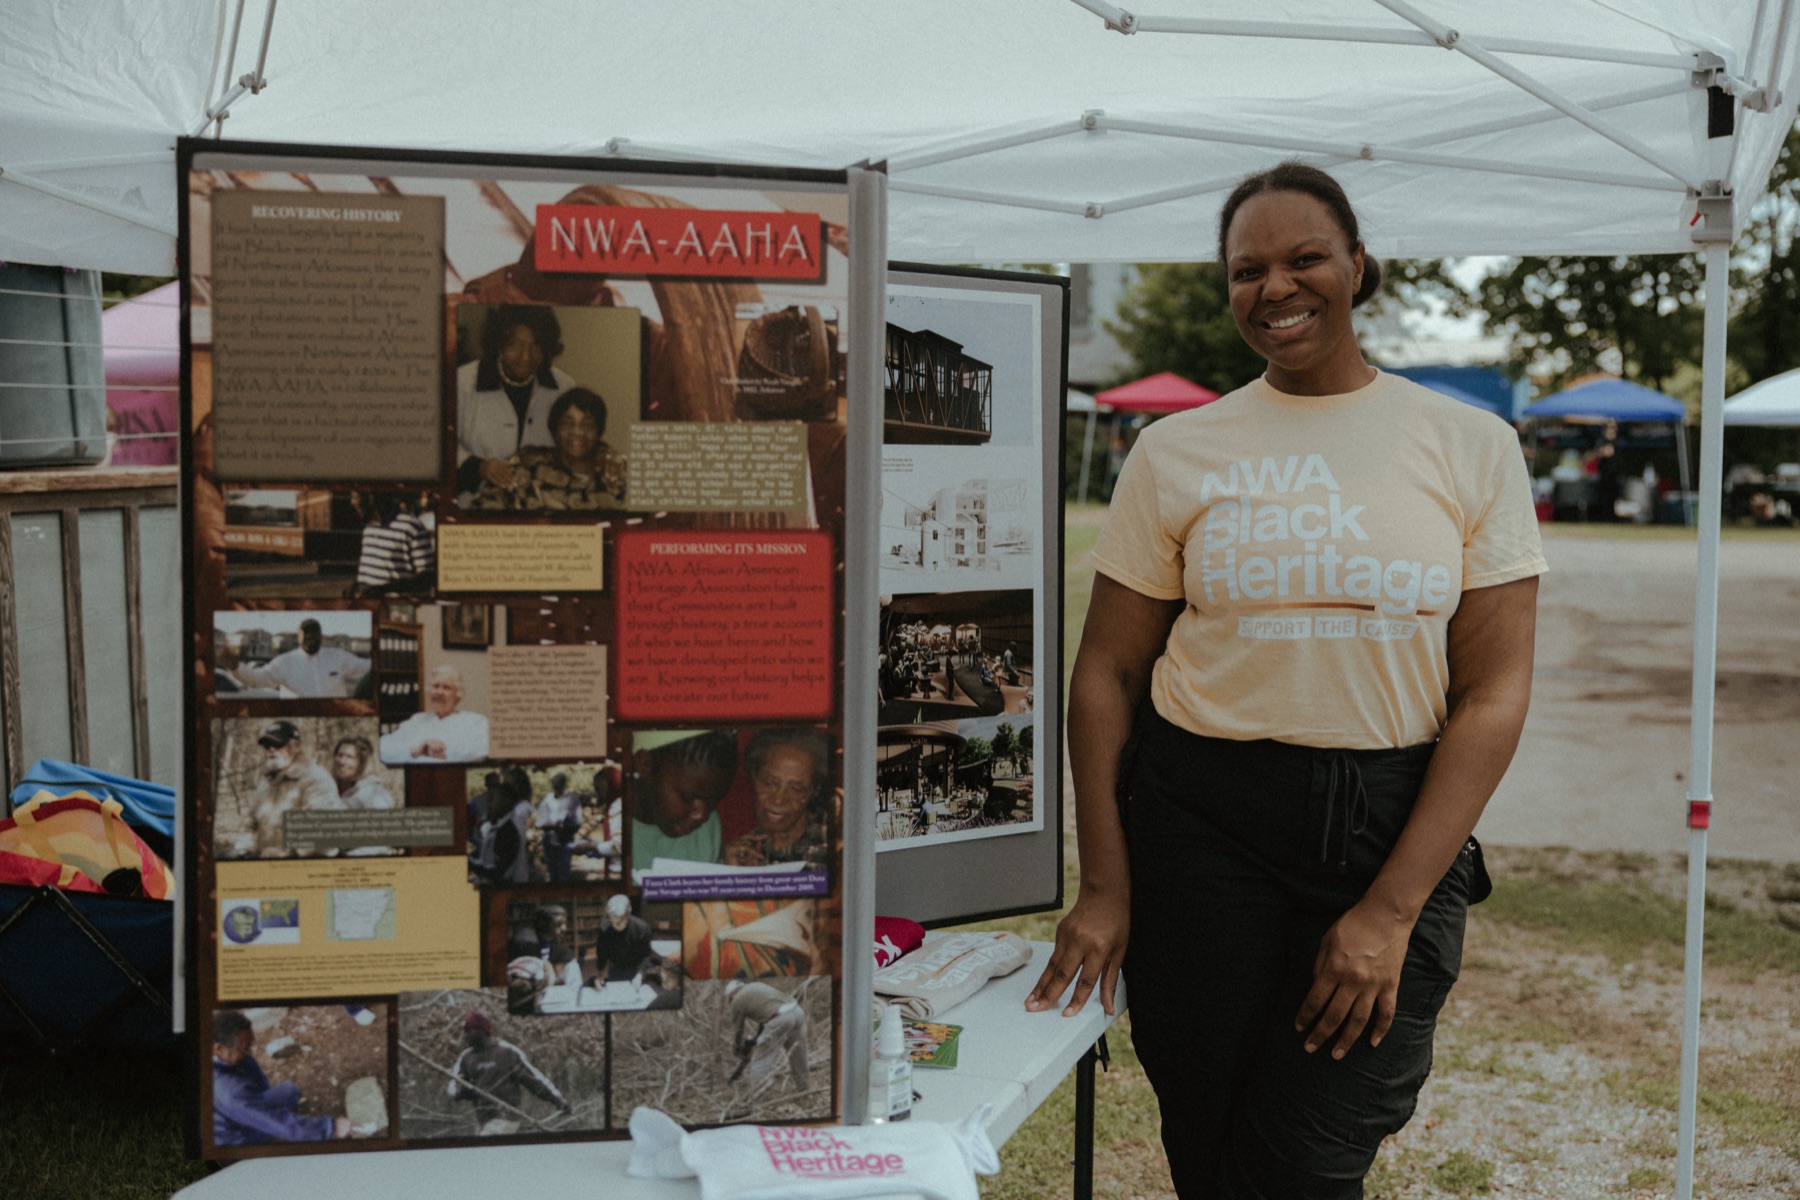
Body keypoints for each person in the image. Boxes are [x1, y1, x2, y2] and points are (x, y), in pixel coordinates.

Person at [1025, 162, 1545, 1198]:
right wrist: (1105, 881)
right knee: (1207, 1138)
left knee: (1306, 1158)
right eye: (1246, 269)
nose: (1276, 287)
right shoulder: (1175, 451)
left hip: (1387, 828)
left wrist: (1392, 913)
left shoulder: (1469, 444)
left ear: (1358, 266)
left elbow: (1494, 691)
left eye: (1304, 258)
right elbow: (1108, 671)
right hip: (1198, 822)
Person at [456, 306, 575, 501]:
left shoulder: (563, 386)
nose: (525, 357)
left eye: (535, 346)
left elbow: (576, 438)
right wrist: (478, 466)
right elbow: (442, 447)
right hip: (476, 503)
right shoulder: (463, 382)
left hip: (540, 502)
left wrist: (601, 454)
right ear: (499, 344)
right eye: (515, 345)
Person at [466, 387, 626, 511]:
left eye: (587, 425)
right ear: (554, 429)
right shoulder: (527, 466)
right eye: (567, 423)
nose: (577, 432)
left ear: (599, 432)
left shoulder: (612, 474)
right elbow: (481, 510)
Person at [212, 1010, 351, 1145]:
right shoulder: (229, 1091)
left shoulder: (225, 1057)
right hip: (235, 1139)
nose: (249, 1052)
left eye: (250, 1045)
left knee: (290, 1091)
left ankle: (258, 1119)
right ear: (218, 1049)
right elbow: (274, 1121)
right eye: (244, 1049)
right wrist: (331, 1127)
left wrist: (259, 1108)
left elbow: (260, 1088)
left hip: (239, 1109)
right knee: (276, 1123)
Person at [721, 728, 832, 870]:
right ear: (754, 778)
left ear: (815, 790)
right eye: (769, 783)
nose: (778, 800)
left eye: (795, 789)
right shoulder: (744, 852)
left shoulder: (834, 843)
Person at [447, 1010, 572, 1133]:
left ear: (481, 1031)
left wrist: (558, 1101)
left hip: (506, 1118)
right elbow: (454, 1084)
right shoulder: (466, 1057)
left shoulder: (507, 1052)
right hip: (482, 1120)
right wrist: (461, 1092)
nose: (464, 1036)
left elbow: (534, 1080)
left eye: (468, 1031)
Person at [629, 730, 738, 870]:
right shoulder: (608, 828)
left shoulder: (707, 830)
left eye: (714, 799)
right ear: (645, 765)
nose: (702, 815)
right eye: (688, 797)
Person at [237, 719, 342, 858]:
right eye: (267, 746)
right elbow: (249, 825)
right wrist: (243, 850)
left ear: (297, 747)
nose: (272, 750)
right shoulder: (265, 783)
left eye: (279, 744)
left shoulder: (316, 779)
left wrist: (290, 852)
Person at [221, 618, 370, 698]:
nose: (311, 639)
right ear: (298, 637)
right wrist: (236, 667)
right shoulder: (285, 662)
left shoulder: (338, 657)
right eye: (306, 635)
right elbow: (256, 679)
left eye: (315, 635)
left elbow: (368, 667)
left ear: (321, 636)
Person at [380, 665, 489, 763]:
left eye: (446, 688)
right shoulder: (417, 720)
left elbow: (484, 749)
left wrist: (443, 751)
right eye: (435, 686)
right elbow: (382, 748)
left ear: (457, 694)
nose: (439, 692)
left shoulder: (475, 722)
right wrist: (415, 751)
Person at [725, 980, 810, 1093]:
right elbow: (766, 1012)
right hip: (797, 1012)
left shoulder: (737, 1000)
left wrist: (737, 1049)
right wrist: (758, 1038)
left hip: (782, 1019)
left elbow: (738, 1030)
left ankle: (757, 1099)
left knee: (760, 1059)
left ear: (732, 994)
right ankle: (804, 1090)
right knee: (798, 1055)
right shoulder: (755, 986)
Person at [591, 893, 654, 985]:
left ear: (628, 915)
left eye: (620, 921)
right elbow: (602, 954)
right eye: (613, 921)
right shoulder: (605, 930)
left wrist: (640, 974)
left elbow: (646, 955)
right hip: (616, 967)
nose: (616, 925)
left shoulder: (642, 929)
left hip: (637, 967)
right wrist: (600, 973)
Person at [534, 772, 582, 882]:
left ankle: (564, 897)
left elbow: (577, 821)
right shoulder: (548, 799)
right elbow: (540, 820)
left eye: (559, 783)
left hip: (565, 841)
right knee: (552, 872)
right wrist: (550, 827)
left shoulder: (572, 799)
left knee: (563, 873)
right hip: (549, 841)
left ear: (564, 784)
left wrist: (565, 829)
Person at [329, 735, 395, 810]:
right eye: (340, 755)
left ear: (362, 763)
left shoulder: (375, 796)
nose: (342, 761)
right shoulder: (329, 788)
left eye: (349, 757)